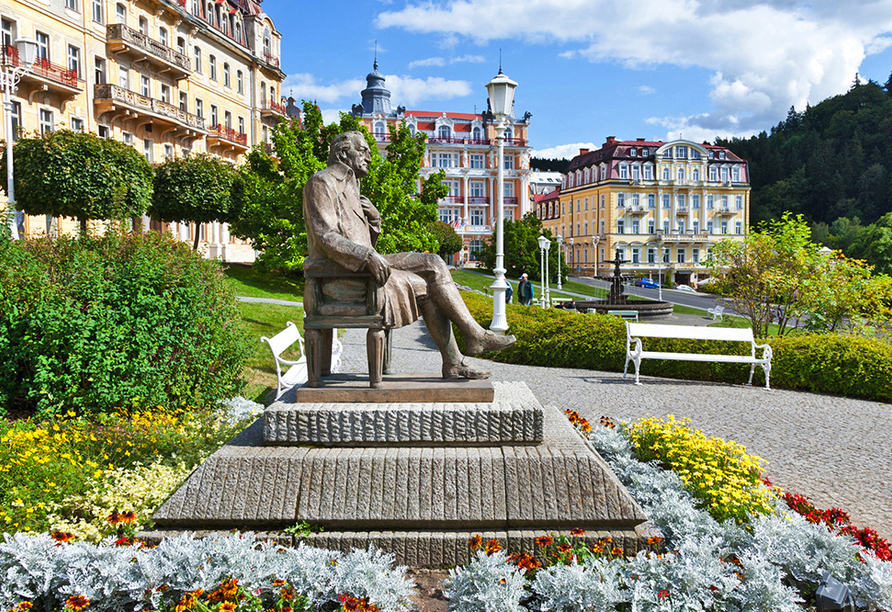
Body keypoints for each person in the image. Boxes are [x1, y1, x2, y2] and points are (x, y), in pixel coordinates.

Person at [303, 131, 515, 379]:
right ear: (342, 153)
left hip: (363, 265)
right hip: (340, 275)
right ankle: (456, 360)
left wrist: (374, 220)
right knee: (426, 288)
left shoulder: (353, 186)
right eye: (363, 151)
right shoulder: (322, 183)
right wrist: (367, 256)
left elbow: (363, 241)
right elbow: (325, 237)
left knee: (433, 262)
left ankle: (474, 336)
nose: (370, 157)